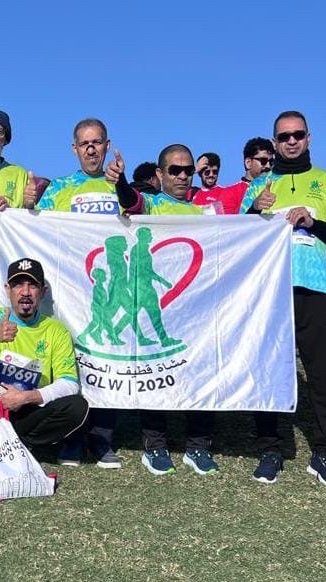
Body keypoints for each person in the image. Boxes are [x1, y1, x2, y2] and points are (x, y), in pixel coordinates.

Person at [243, 111, 326, 487]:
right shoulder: (260, 184)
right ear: (274, 142)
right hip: (269, 290)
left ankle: (324, 451)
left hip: (316, 290)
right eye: (283, 136)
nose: (291, 141)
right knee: (268, 371)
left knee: (320, 373)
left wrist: (312, 222)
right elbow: (238, 236)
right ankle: (270, 449)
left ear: (308, 138)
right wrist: (254, 210)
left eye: (298, 135)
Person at [111, 144, 226, 475]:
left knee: (201, 371)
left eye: (189, 170)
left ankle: (198, 446)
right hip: (160, 305)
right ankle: (155, 445)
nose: (182, 176)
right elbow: (131, 202)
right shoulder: (153, 204)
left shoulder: (207, 213)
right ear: (160, 174)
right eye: (175, 170)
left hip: (198, 309)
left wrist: (257, 213)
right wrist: (120, 181)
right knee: (154, 372)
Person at [38, 119, 141, 469]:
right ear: (74, 149)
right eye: (85, 143)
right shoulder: (60, 188)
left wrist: (121, 182)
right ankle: (71, 437)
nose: (91, 148)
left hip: (112, 290)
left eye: (97, 142)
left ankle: (101, 439)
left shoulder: (119, 185)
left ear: (107, 145)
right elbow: (38, 228)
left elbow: (139, 211)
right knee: (71, 361)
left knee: (109, 358)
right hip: (71, 290)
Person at [0, 258, 88, 483]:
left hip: (24, 413)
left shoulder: (56, 330)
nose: (25, 292)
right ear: (7, 289)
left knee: (77, 406)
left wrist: (25, 397)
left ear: (43, 291)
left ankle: (17, 446)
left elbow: (70, 383)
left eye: (32, 285)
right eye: (18, 285)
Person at [194, 137, 274, 215]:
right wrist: (254, 208)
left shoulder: (276, 185)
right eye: (263, 161)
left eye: (271, 162)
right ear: (248, 163)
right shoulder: (230, 193)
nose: (268, 166)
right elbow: (227, 224)